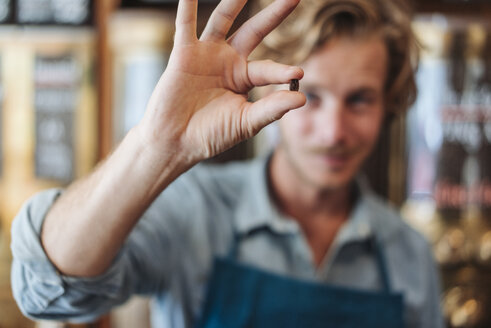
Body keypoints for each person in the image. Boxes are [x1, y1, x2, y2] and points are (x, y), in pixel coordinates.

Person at [11, 0, 444, 327]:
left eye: (360, 100)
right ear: (263, 87)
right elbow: (47, 290)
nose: (334, 131)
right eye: (310, 95)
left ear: (388, 104)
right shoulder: (195, 209)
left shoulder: (409, 254)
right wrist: (154, 147)